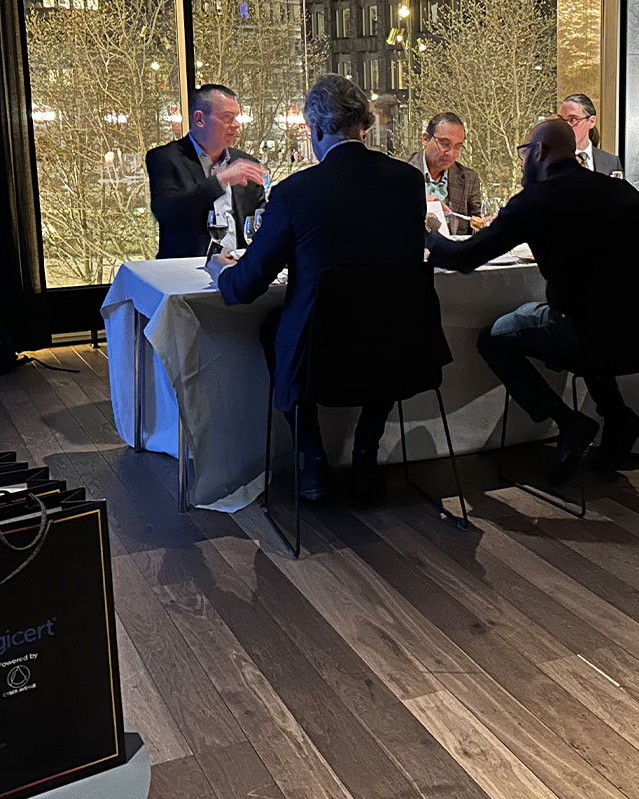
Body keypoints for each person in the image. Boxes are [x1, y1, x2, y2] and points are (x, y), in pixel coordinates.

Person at [207, 75, 434, 501]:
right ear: (363, 126)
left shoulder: (296, 192)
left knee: (275, 328)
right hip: (399, 352)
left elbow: (245, 287)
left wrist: (218, 267)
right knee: (383, 319)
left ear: (314, 129)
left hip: (321, 358)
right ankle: (366, 453)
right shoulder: (407, 181)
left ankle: (312, 461)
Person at [427, 118, 639, 481]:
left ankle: (569, 422)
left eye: (524, 153)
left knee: (494, 339)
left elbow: (462, 258)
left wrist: (425, 233)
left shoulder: (536, 201)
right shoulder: (621, 191)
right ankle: (617, 415)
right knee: (596, 313)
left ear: (539, 152)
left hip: (585, 334)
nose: (522, 162)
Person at [146, 84, 266, 259]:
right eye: (227, 117)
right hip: (186, 266)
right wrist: (221, 181)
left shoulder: (246, 163)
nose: (236, 125)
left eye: (236, 117)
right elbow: (168, 213)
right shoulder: (165, 158)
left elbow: (260, 220)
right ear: (199, 119)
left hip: (239, 267)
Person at [407, 112, 484, 235]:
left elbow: (476, 228)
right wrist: (416, 201)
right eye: (444, 144)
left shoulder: (469, 178)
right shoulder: (399, 172)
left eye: (457, 147)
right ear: (425, 139)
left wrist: (489, 227)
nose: (451, 153)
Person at [558, 94, 622, 174]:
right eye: (561, 120)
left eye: (572, 120)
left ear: (591, 121)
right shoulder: (549, 161)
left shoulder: (612, 162)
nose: (565, 126)